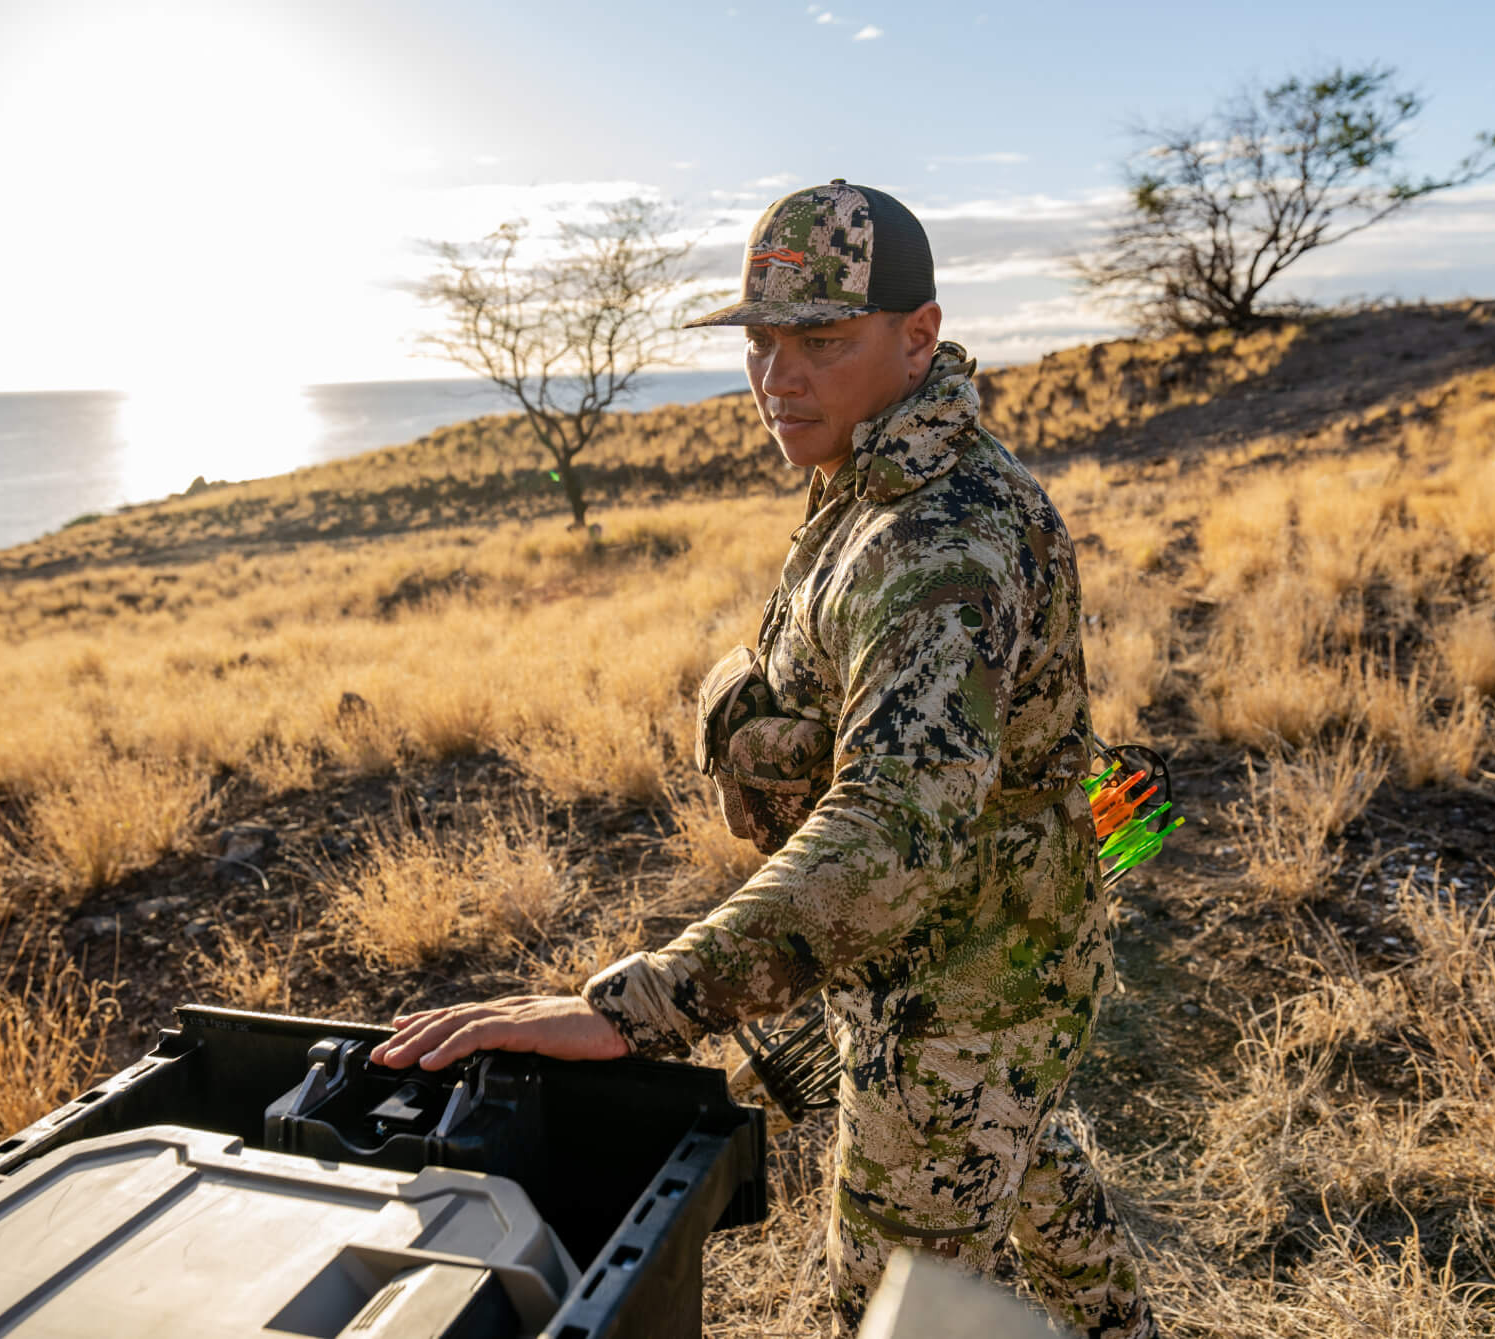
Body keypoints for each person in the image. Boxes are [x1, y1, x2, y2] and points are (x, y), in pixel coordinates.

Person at [371, 180, 1155, 1338]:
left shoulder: (940, 541)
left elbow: (890, 831)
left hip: (961, 984)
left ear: (918, 336)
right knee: (1028, 1164)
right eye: (760, 342)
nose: (777, 378)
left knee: (891, 1302)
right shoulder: (872, 474)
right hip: (976, 951)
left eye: (822, 342)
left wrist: (641, 1006)